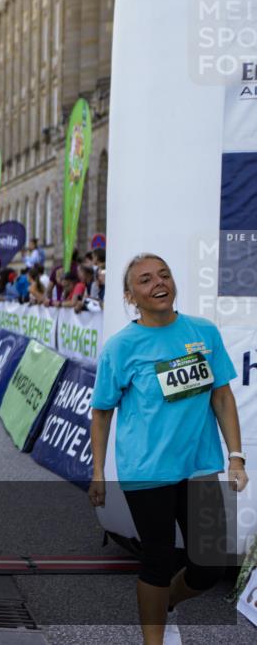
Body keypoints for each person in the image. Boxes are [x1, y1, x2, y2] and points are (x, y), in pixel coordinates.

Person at [89, 253, 247, 645]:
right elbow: (102, 413)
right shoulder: (121, 347)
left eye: (164, 275)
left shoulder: (204, 332)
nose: (158, 283)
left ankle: (165, 606)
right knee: (158, 560)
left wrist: (236, 456)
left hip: (200, 465)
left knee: (208, 565)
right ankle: (154, 638)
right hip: (148, 470)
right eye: (145, 280)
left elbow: (222, 398)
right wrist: (97, 474)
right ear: (130, 296)